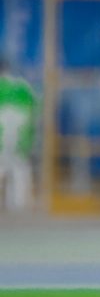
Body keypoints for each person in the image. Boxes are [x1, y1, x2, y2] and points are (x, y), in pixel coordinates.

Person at [0, 61, 37, 210]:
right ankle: (20, 205)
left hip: (4, 130)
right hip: (21, 131)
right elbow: (33, 110)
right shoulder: (24, 86)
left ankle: (17, 205)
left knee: (3, 165)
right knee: (20, 167)